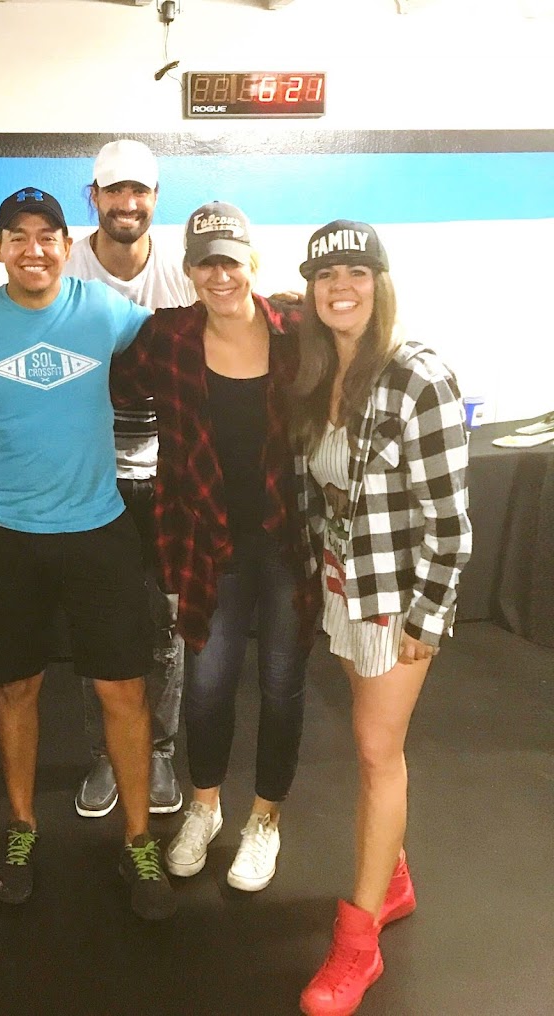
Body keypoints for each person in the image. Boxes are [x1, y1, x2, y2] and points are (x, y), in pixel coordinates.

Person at [0, 187, 177, 921]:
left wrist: (279, 313)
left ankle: (138, 839)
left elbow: (187, 339)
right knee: (16, 689)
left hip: (97, 527)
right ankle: (21, 828)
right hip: (2, 530)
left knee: (124, 692)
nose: (34, 249)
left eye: (47, 235)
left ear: (67, 246)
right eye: (18, 236)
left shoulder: (106, 311)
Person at [111, 201, 320, 894]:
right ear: (189, 270)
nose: (219, 275)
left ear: (251, 262)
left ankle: (265, 819)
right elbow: (105, 383)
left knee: (282, 686)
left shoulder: (296, 332)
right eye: (206, 264)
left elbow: (363, 355)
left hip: (288, 539)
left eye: (230, 260)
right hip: (207, 544)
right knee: (206, 688)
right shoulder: (166, 337)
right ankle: (204, 807)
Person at [290, 221, 471, 1015]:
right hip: (344, 587)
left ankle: (358, 944)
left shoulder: (418, 378)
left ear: (381, 283)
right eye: (326, 275)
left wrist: (428, 617)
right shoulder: (317, 371)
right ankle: (390, 877)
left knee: (375, 752)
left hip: (397, 598)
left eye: (357, 272)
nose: (341, 287)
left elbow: (452, 523)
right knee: (370, 744)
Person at [64, 139, 193, 819]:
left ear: (154, 198)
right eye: (114, 190)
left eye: (139, 190)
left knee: (168, 624)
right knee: (99, 622)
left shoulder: (183, 272)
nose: (127, 203)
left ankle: (160, 751)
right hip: (89, 477)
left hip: (171, 480)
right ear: (94, 197)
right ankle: (105, 753)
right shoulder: (66, 266)